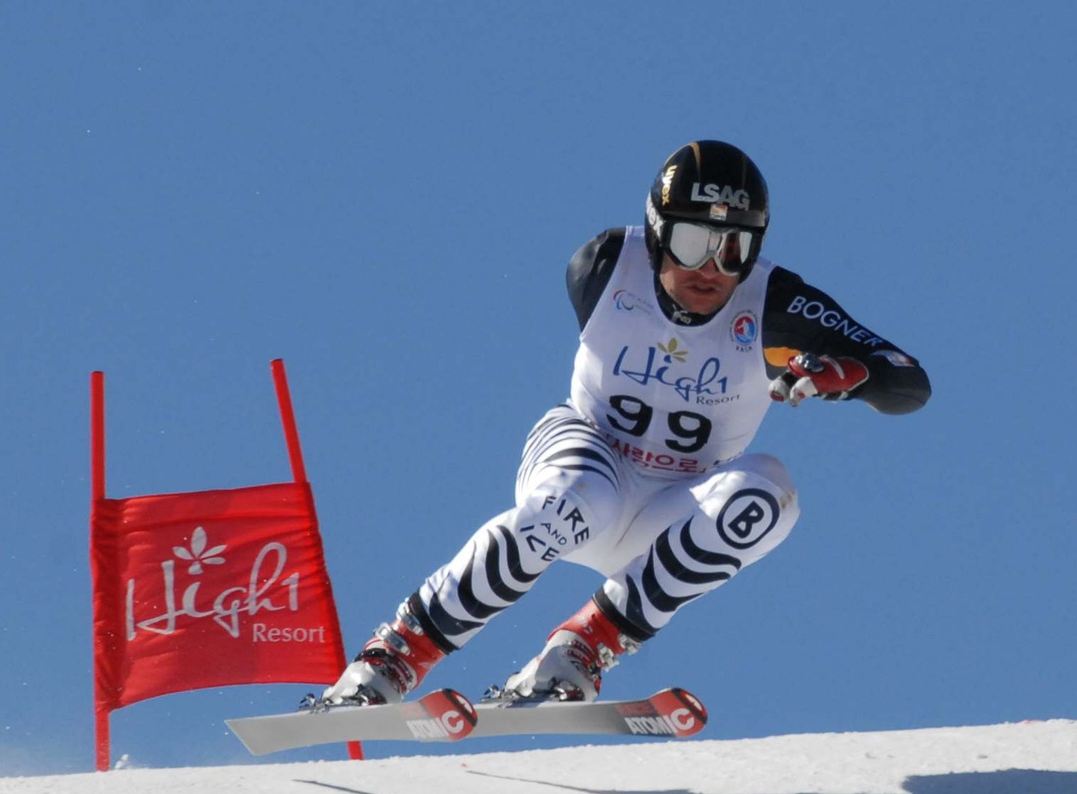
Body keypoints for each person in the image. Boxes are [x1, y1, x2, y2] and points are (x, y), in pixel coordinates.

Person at [323, 140, 931, 706]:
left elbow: (908, 381)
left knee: (768, 495)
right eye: (694, 240)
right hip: (588, 456)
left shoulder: (775, 303)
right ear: (658, 231)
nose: (713, 268)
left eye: (735, 247)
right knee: (573, 503)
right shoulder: (607, 264)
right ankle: (396, 655)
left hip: (673, 508)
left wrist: (846, 373)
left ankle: (581, 648)